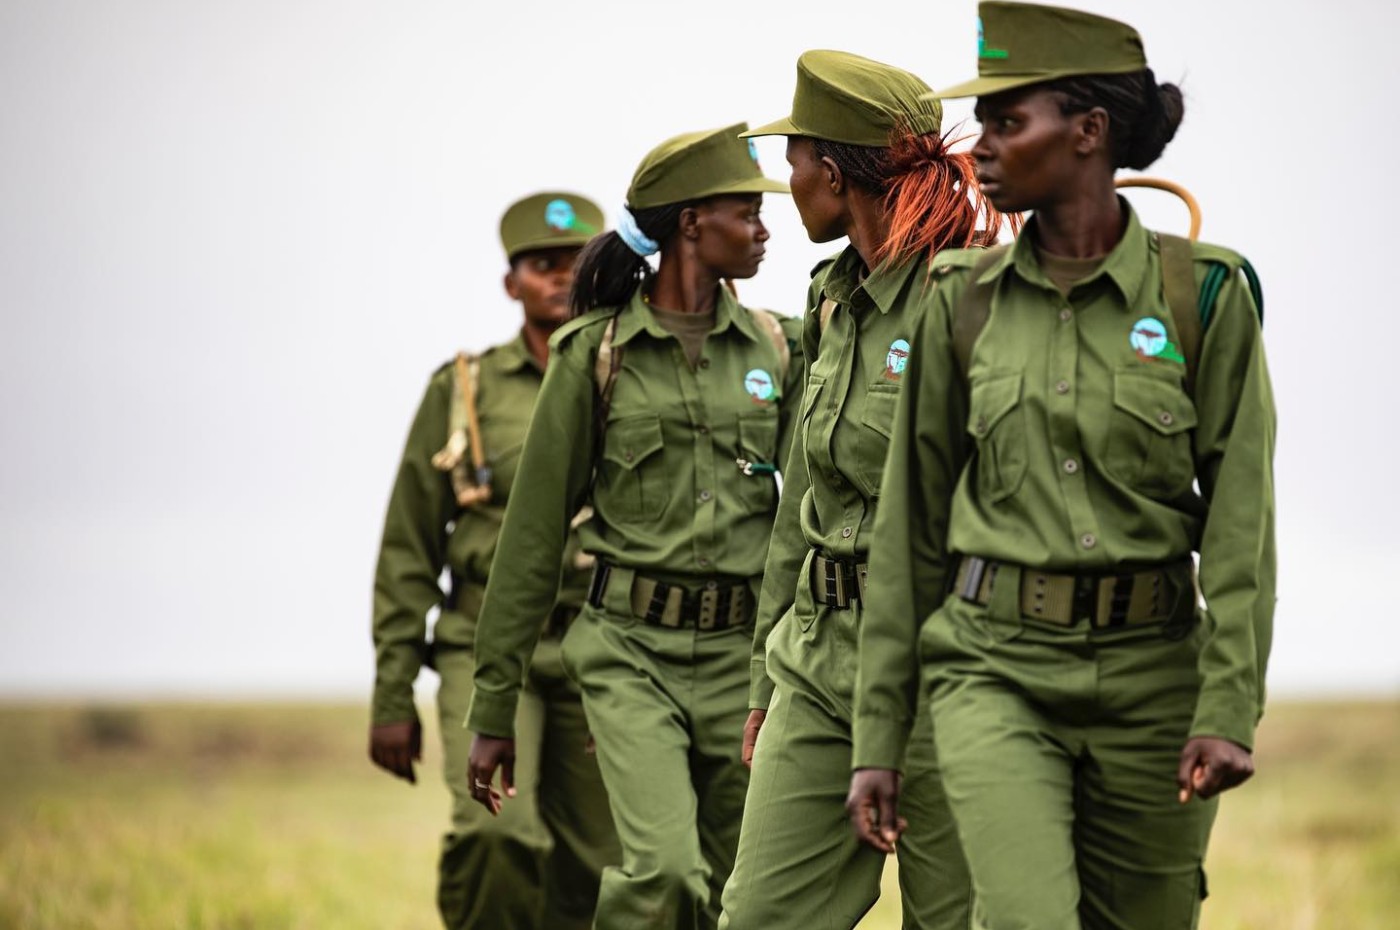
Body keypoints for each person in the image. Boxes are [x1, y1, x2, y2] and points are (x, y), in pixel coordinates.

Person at [847, 4, 1275, 929]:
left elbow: (1243, 521)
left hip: (1153, 678)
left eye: (1009, 123)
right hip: (991, 673)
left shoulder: (1206, 297)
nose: (984, 150)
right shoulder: (958, 303)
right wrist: (878, 737)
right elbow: (910, 528)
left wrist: (1228, 708)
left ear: (1088, 133)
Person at [464, 124, 802, 930]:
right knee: (663, 877)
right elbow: (533, 537)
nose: (763, 230)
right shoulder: (595, 354)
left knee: (736, 894)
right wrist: (492, 706)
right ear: (691, 222)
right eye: (747, 212)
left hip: (742, 661)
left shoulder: (783, 346)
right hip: (628, 655)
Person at [717, 50, 1009, 930]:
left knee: (951, 920)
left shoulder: (974, 299)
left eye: (794, 160)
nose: (787, 180)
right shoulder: (832, 301)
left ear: (834, 174)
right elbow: (799, 506)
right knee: (759, 915)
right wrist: (767, 675)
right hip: (817, 660)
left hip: (941, 663)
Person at [368, 191, 620, 930]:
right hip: (482, 644)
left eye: (575, 264)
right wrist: (391, 694)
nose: (560, 279)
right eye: (542, 266)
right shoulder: (463, 392)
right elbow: (408, 548)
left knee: (599, 859)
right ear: (512, 282)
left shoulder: (630, 376)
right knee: (494, 831)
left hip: (597, 645)